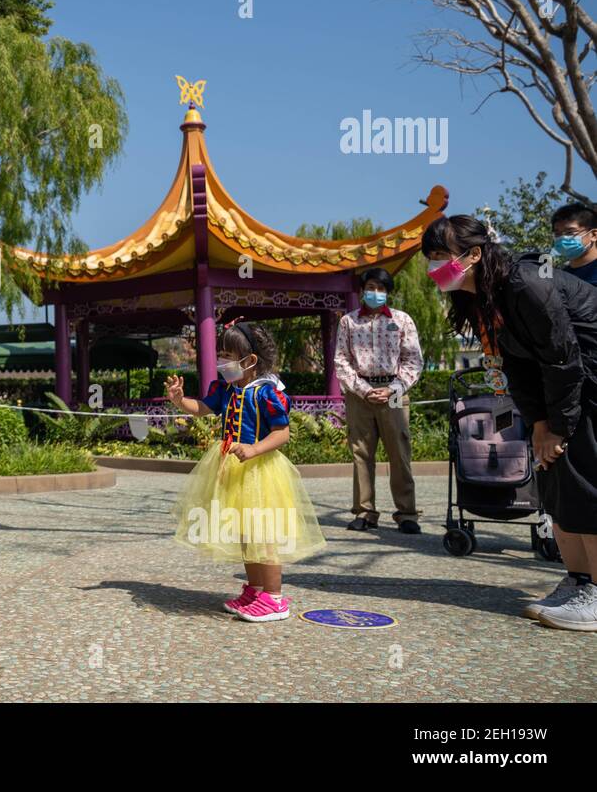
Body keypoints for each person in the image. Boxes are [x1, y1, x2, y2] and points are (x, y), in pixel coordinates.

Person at [423, 214, 597, 632]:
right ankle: (577, 581)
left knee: (585, 484)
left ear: (475, 254)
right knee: (555, 485)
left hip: (586, 381)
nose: (434, 269)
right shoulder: (482, 298)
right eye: (430, 259)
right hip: (560, 386)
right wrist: (538, 423)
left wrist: (559, 426)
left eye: (441, 257)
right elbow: (516, 365)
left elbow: (562, 359)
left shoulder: (524, 283)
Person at [166, 321, 326, 622]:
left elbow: (282, 434)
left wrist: (253, 450)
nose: (222, 361)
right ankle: (255, 590)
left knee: (264, 535)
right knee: (246, 533)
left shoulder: (267, 393)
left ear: (250, 360)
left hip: (260, 471)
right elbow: (202, 407)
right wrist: (179, 400)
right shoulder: (226, 388)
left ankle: (275, 598)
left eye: (227, 355)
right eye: (221, 354)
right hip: (232, 467)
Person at [333, 267, 424, 534]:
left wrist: (394, 388)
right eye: (371, 287)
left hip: (394, 392)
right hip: (360, 393)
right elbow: (341, 360)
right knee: (361, 453)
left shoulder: (402, 320)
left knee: (399, 452)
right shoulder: (348, 322)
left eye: (381, 289)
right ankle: (364, 512)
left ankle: (407, 513)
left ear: (388, 293)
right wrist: (362, 389)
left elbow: (413, 359)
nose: (376, 293)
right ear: (362, 291)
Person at [552, 202, 597, 284]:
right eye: (557, 234)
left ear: (594, 235)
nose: (563, 238)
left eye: (570, 232)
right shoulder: (559, 279)